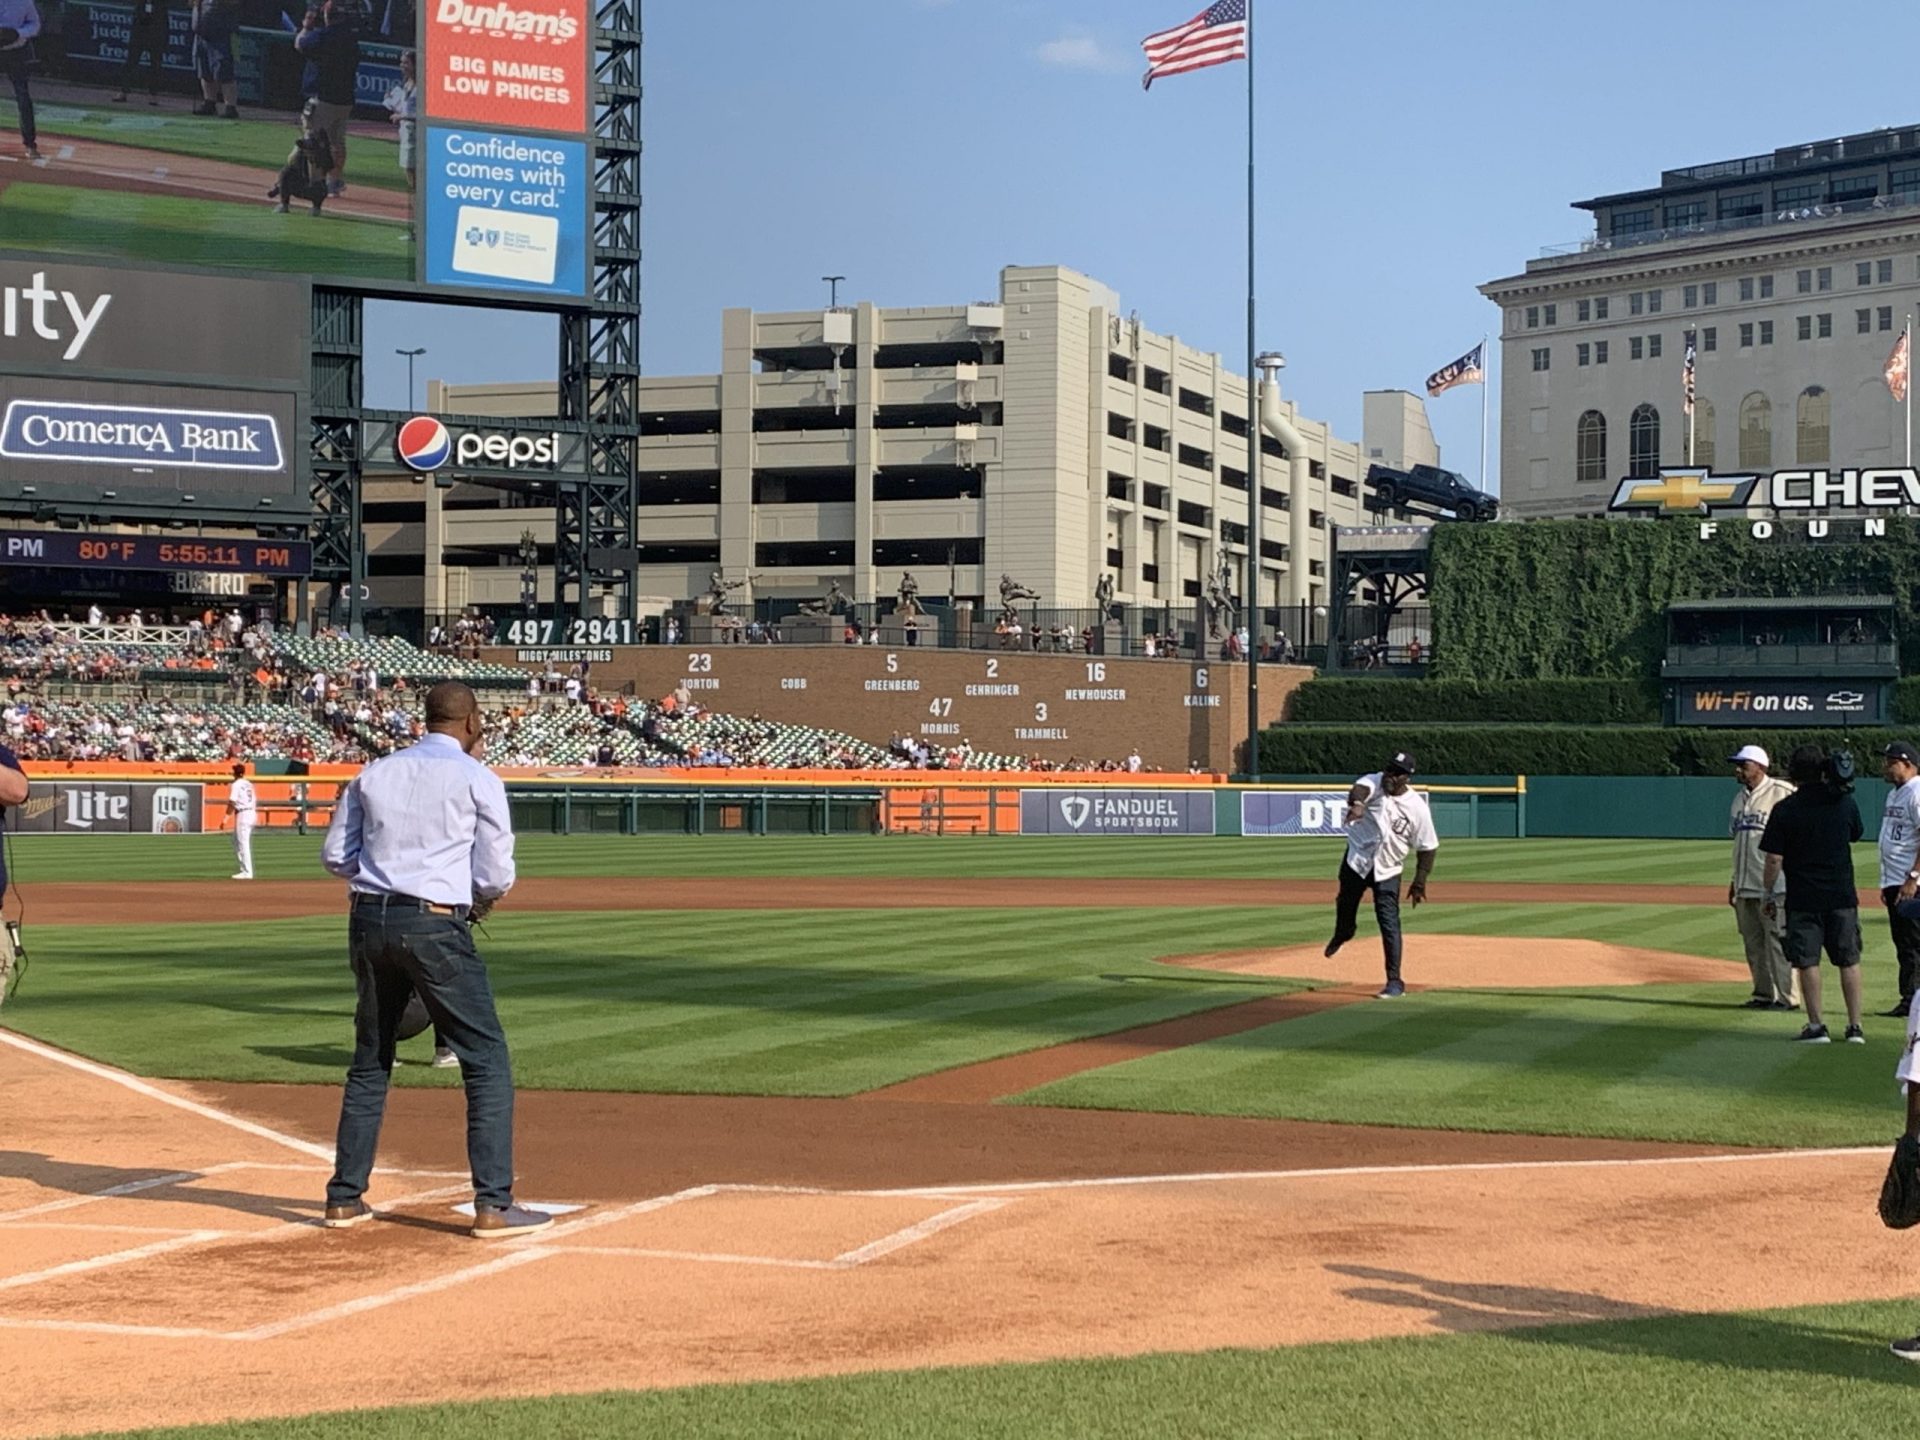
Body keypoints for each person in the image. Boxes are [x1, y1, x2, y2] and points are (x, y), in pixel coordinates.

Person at [319, 681, 551, 1238]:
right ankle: (494, 1203)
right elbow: (496, 873)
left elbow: (335, 857)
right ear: (471, 722)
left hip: (369, 918)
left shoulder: (374, 772)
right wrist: (462, 897)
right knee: (486, 1057)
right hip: (435, 922)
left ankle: (344, 1198)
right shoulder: (478, 777)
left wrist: (387, 880)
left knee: (371, 1057)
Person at [1759, 744, 1866, 1044]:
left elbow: (1774, 859)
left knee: (1807, 962)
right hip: (1842, 895)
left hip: (1803, 898)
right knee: (1849, 960)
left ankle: (1817, 1025)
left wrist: (1768, 893)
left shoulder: (1785, 808)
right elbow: (1856, 834)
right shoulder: (1844, 802)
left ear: (1793, 773)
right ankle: (1855, 1026)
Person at [1325, 750, 1438, 999]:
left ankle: (1395, 981)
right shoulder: (1374, 782)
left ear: (1407, 778)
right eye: (1389, 769)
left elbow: (1428, 847)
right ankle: (1344, 932)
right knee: (1345, 903)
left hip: (1388, 869)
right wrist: (1357, 805)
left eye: (1397, 773)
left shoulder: (1417, 808)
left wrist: (1420, 881)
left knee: (1389, 923)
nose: (1390, 775)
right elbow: (1359, 790)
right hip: (1357, 860)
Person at [1727, 743, 1797, 1010]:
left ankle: (1787, 998)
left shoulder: (1783, 793)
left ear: (1761, 767)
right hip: (1745, 885)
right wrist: (1735, 880)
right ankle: (1762, 994)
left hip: (1775, 885)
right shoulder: (1738, 799)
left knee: (1778, 943)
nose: (1738, 770)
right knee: (1753, 944)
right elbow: (1739, 843)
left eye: (1744, 765)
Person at [295, 0, 360, 197]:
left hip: (322, 98)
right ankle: (335, 180)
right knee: (337, 142)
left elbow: (299, 45)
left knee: (313, 141)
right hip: (344, 98)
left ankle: (317, 182)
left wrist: (306, 26)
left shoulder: (322, 36)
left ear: (326, 15)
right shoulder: (350, 37)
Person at [1879, 741, 1920, 1018]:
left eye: (1890, 761)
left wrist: (1913, 877)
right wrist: (1887, 883)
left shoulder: (1917, 792)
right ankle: (1909, 998)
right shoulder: (1896, 793)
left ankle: (1912, 1001)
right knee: (1903, 943)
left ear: (1907, 764)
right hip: (1895, 880)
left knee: (1913, 944)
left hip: (1911, 884)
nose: (1885, 766)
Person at [382, 49, 417, 238]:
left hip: (416, 138)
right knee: (411, 183)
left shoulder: (423, 87)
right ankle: (415, 227)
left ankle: (418, 228)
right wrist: (391, 102)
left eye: (406, 62)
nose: (402, 65)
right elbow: (405, 108)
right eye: (401, 62)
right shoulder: (407, 84)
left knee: (416, 185)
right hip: (405, 136)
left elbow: (424, 114)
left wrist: (402, 115)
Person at [0, 0, 39, 159]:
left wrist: (18, 33)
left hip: (15, 51)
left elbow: (35, 24)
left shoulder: (24, 1)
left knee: (23, 96)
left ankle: (30, 144)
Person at [189, 0, 238, 118]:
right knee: (204, 70)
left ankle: (230, 107)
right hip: (201, 34)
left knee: (224, 70)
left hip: (222, 34)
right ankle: (209, 102)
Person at [115, 0, 165, 104]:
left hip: (157, 26)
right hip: (140, 27)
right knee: (131, 61)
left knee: (155, 64)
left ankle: (153, 95)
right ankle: (123, 91)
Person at [228, 761, 256, 880]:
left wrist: (226, 817)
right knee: (236, 840)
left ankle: (247, 872)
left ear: (235, 773)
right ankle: (244, 869)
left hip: (243, 813)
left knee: (243, 843)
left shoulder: (236, 784)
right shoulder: (248, 783)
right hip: (251, 812)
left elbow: (232, 801)